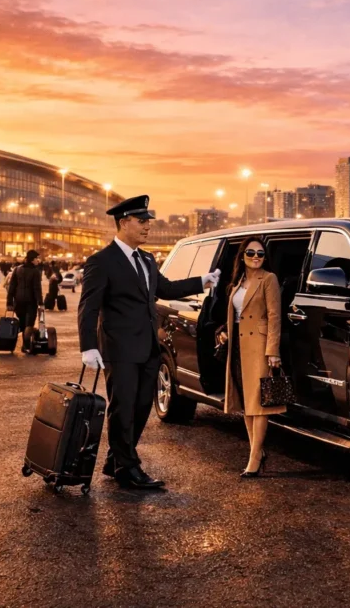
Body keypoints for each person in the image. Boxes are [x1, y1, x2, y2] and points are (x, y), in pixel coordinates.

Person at [78, 195, 219, 489]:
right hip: (120, 349)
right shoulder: (102, 261)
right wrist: (88, 346)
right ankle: (128, 468)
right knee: (123, 408)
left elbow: (165, 288)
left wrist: (201, 281)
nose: (147, 228)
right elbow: (89, 307)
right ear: (123, 222)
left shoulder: (146, 259)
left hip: (148, 347)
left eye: (148, 223)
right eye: (142, 222)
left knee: (142, 406)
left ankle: (116, 460)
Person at [222, 237, 283, 477]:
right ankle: (255, 450)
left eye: (260, 253)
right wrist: (225, 333)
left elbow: (274, 315)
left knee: (258, 404)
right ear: (242, 256)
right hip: (237, 345)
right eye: (251, 253)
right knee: (247, 404)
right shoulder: (238, 281)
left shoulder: (269, 279)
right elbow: (235, 314)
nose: (256, 257)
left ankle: (255, 456)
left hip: (259, 345)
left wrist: (273, 351)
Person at [6, 250, 44, 349]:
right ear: (32, 259)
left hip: (18, 301)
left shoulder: (17, 269)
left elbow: (12, 287)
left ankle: (25, 343)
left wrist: (9, 302)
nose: (38, 260)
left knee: (23, 323)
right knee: (29, 324)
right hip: (30, 301)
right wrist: (40, 302)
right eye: (37, 258)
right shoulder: (35, 271)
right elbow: (37, 288)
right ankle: (26, 345)